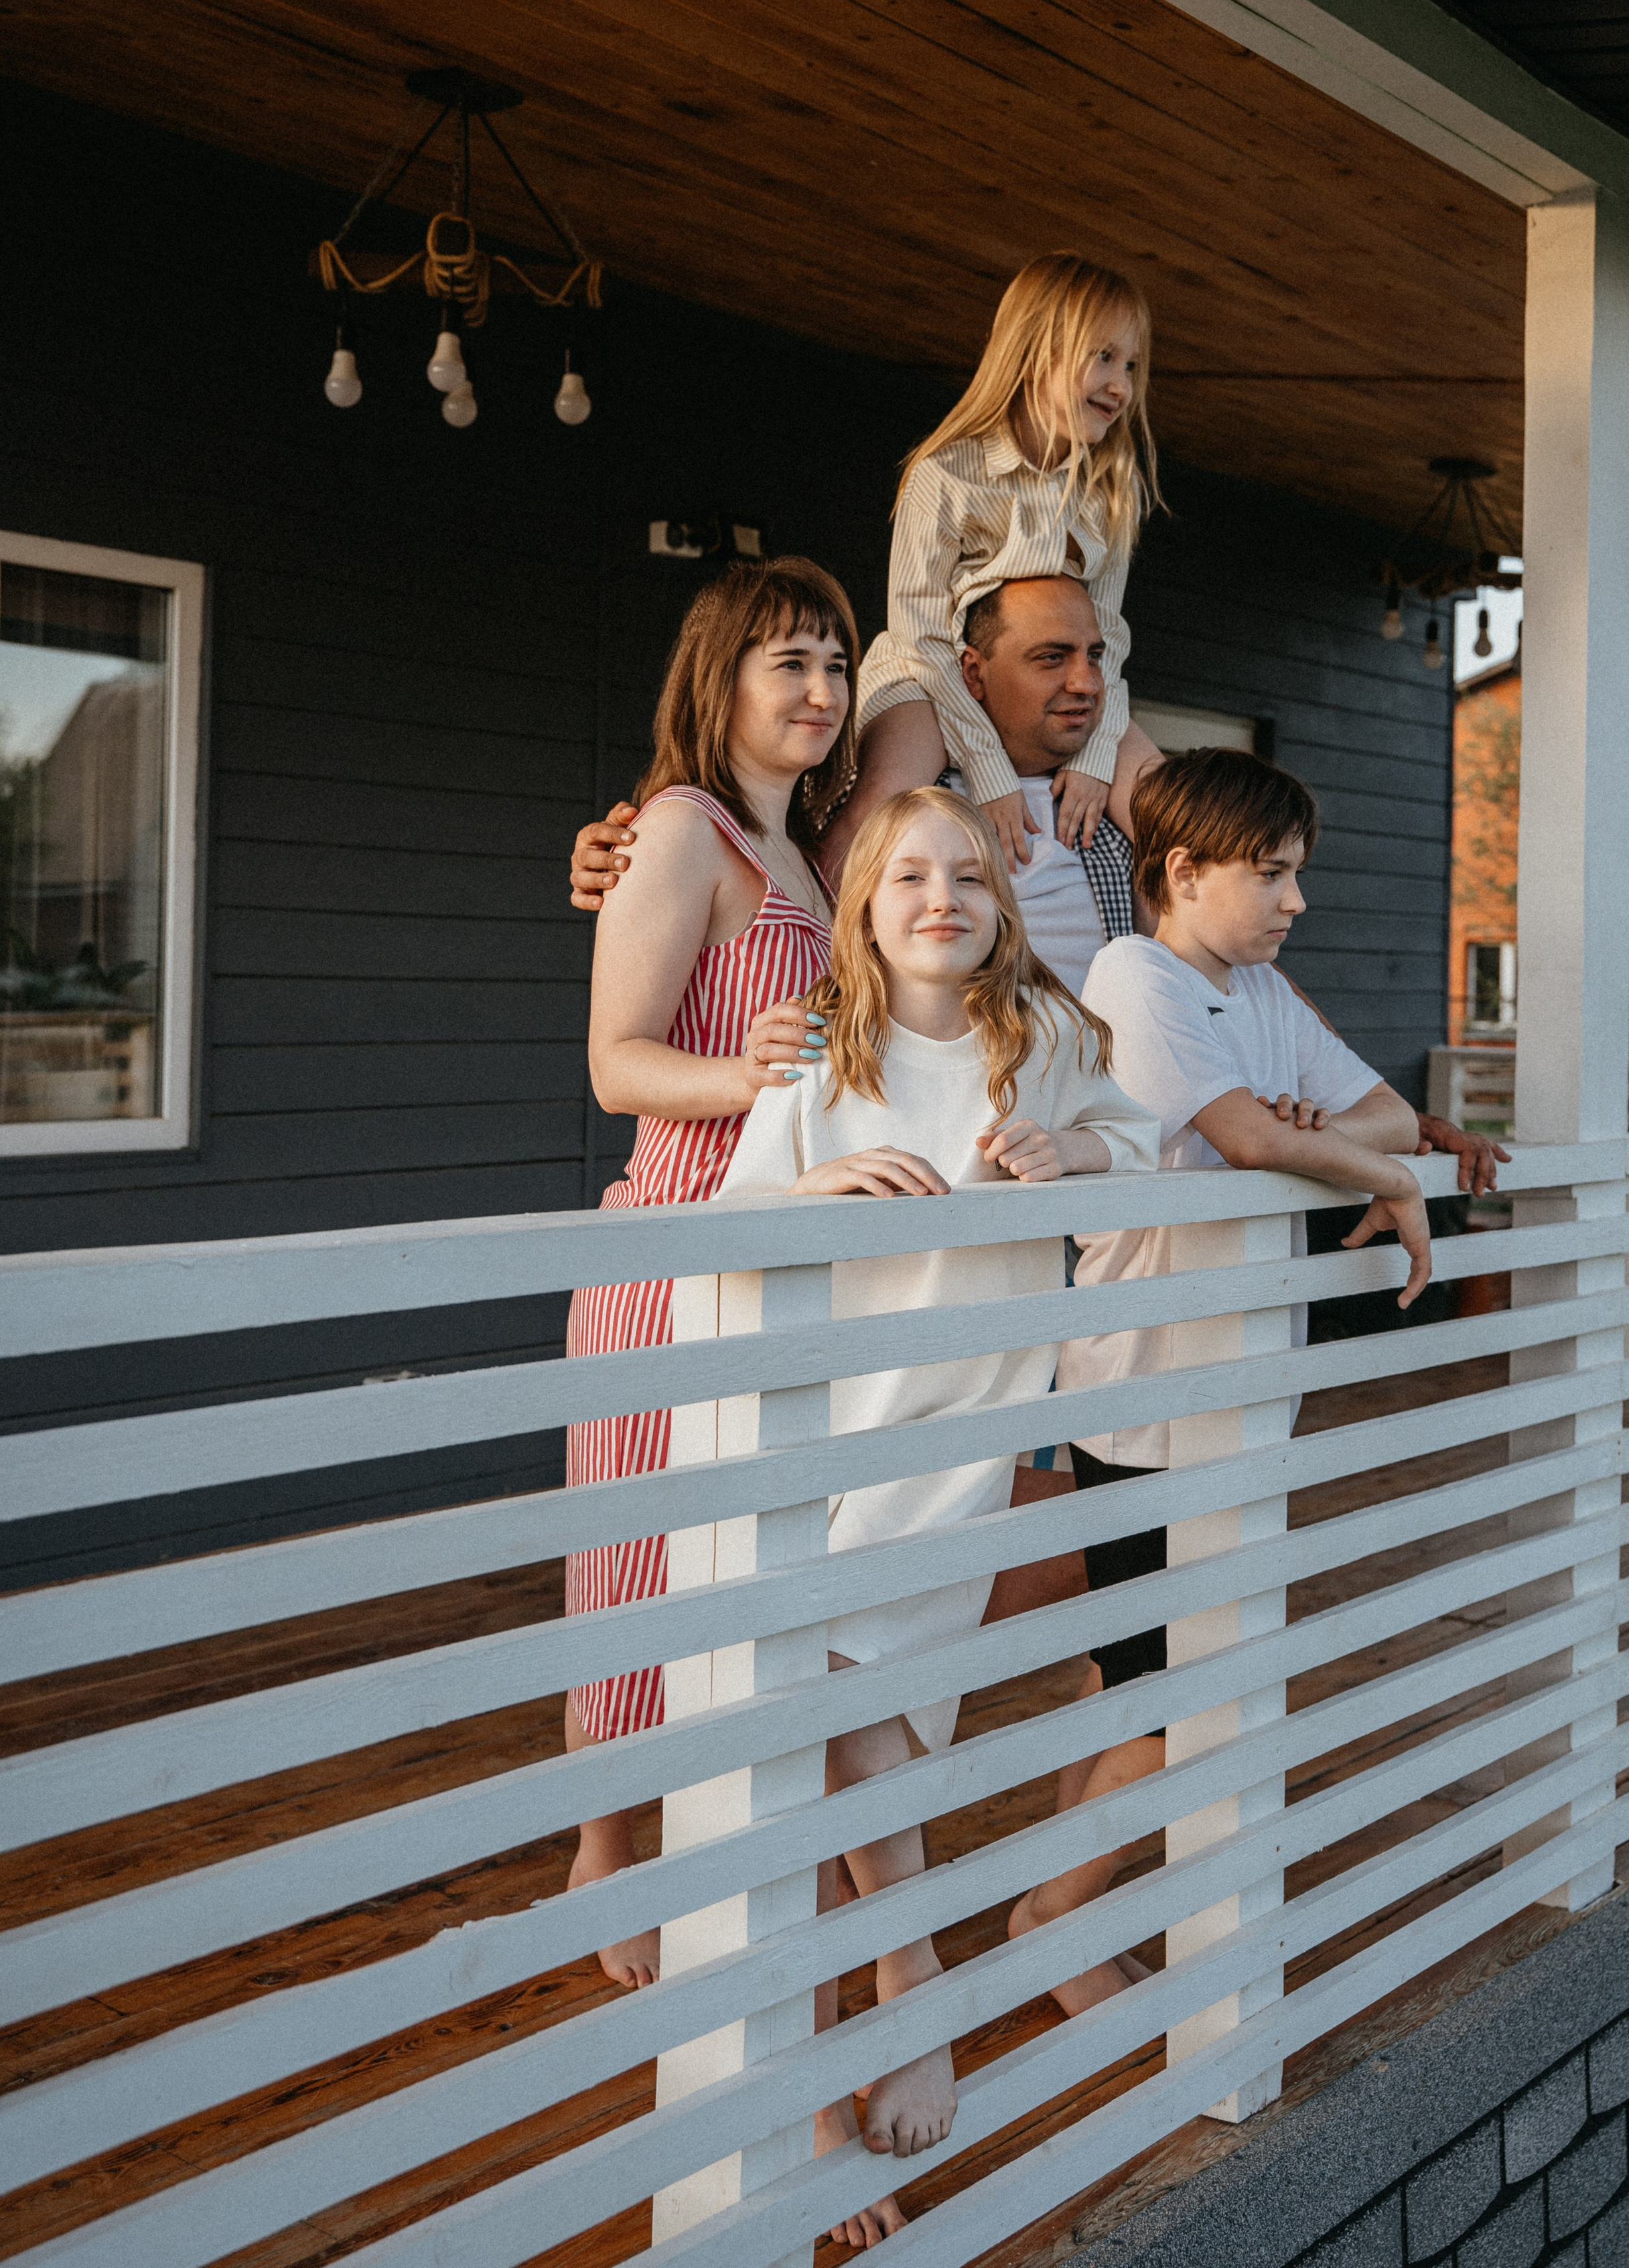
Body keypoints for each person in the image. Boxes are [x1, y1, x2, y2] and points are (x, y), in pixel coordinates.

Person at [709, 783, 1159, 2243]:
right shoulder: (812, 1054)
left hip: (967, 1443)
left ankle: (829, 2097)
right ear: (863, 901)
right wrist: (814, 1184)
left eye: (967, 874)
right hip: (829, 1445)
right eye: (907, 875)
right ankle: (901, 1993)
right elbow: (721, 1231)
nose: (939, 899)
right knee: (842, 1741)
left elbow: (1150, 1156)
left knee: (840, 1749)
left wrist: (1075, 1158)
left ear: (999, 899)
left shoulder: (1052, 1041)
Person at [567, 576, 1510, 1197]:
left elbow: (1228, 956)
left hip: (1047, 1175)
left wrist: (1397, 1118)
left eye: (1097, 657)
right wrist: (633, 843)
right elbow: (652, 1031)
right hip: (822, 1199)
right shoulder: (905, 834)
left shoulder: (1107, 829)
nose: (1085, 682)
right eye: (1050, 657)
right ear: (974, 675)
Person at [1011, 747, 1435, 2011]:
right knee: (1178, 1689)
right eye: (1272, 873)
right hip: (1142, 1391)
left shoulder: (1256, 988)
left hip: (1232, 1395)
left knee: (1139, 1672)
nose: (1295, 899)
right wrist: (1356, 1167)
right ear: (1183, 873)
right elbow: (1261, 1135)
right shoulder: (1134, 974)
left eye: (1297, 873)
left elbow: (1391, 1118)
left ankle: (1057, 1907)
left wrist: (1335, 1145)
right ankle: (1055, 1920)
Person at [567, 555, 857, 1991]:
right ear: (721, 681)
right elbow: (615, 1064)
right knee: (636, 1557)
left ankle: (717, 1823)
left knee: (744, 1560)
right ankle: (604, 1849)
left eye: (834, 664)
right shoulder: (678, 831)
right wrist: (734, 1074)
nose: (819, 691)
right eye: (787, 662)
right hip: (672, 1250)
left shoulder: (809, 848)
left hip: (779, 1259)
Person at [823, 252, 1167, 883]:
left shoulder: (1111, 492)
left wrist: (1095, 755)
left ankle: (1185, 969)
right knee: (879, 803)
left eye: (1132, 365)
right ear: (1036, 352)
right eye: (1103, 358)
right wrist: (988, 769)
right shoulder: (945, 476)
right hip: (931, 680)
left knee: (1173, 813)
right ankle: (815, 956)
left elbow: (1107, 638)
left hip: (1048, 682)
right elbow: (921, 637)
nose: (1121, 385)